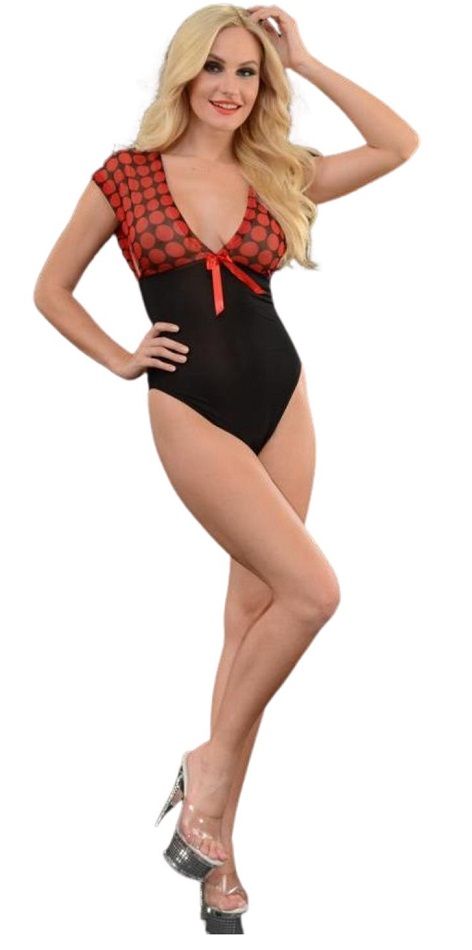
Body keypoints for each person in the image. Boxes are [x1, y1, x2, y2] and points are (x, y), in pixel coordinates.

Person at [33, 3, 419, 934]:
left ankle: (215, 851)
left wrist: (307, 61)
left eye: (248, 72)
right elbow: (50, 288)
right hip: (189, 407)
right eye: (214, 67)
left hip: (282, 400)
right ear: (183, 72)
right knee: (313, 592)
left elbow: (399, 144)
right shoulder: (127, 175)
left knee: (251, 622)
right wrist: (119, 356)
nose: (229, 87)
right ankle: (207, 767)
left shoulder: (277, 170)